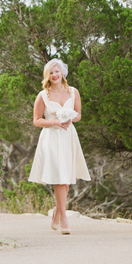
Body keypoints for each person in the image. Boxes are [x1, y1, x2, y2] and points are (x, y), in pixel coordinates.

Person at [28, 58, 91, 234]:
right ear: (47, 76)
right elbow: (36, 120)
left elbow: (78, 115)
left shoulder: (73, 92)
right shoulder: (42, 96)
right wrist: (55, 121)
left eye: (57, 71)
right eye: (51, 72)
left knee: (67, 177)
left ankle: (56, 212)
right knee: (60, 177)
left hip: (68, 136)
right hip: (51, 137)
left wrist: (70, 117)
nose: (54, 75)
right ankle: (64, 219)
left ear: (62, 73)